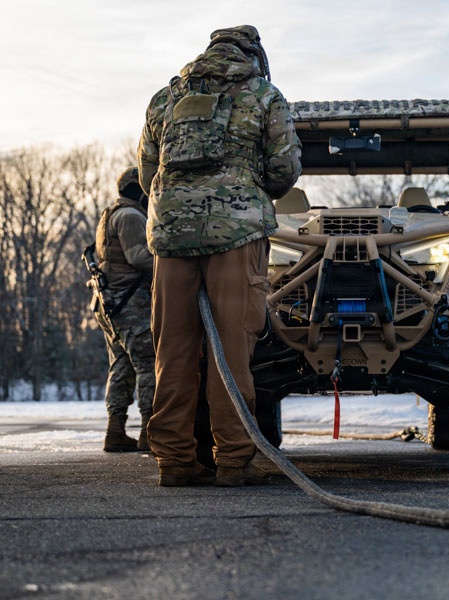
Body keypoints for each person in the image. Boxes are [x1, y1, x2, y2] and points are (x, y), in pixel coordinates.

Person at [137, 25, 302, 487]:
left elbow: (148, 170)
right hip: (236, 234)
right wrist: (245, 194)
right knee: (231, 350)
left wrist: (179, 207)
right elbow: (285, 167)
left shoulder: (164, 98)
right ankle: (233, 460)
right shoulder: (265, 95)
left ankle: (173, 458)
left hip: (171, 236)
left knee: (172, 349)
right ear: (254, 54)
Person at [92, 167, 155, 452]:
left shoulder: (110, 214)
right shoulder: (130, 215)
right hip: (129, 304)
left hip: (112, 304)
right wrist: (174, 265)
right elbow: (139, 257)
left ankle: (115, 429)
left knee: (121, 365)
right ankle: (150, 431)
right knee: (148, 364)